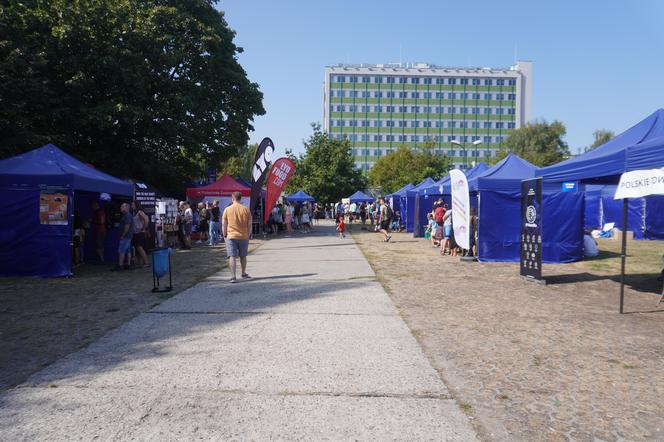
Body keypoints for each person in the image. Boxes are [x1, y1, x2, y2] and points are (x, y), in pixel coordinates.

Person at [222, 191, 252, 283]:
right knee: (243, 256)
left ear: (232, 198)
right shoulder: (246, 209)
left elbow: (224, 224)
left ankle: (233, 276)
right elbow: (249, 224)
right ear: (240, 198)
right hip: (243, 235)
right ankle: (243, 273)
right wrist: (249, 234)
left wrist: (224, 235)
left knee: (232, 256)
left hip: (231, 236)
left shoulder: (227, 209)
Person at [114, 202, 134, 271]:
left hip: (126, 236)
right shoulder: (126, 215)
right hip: (128, 236)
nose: (120, 208)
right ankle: (128, 265)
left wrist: (123, 235)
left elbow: (127, 226)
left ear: (127, 207)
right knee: (128, 251)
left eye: (122, 207)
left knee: (121, 251)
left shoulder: (127, 216)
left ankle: (120, 266)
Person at [131, 201, 150, 267]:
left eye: (133, 205)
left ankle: (146, 263)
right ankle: (141, 262)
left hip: (140, 233)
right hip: (136, 233)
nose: (132, 206)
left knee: (139, 247)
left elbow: (146, 219)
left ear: (136, 205)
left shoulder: (140, 212)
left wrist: (143, 228)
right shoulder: (135, 213)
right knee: (138, 248)